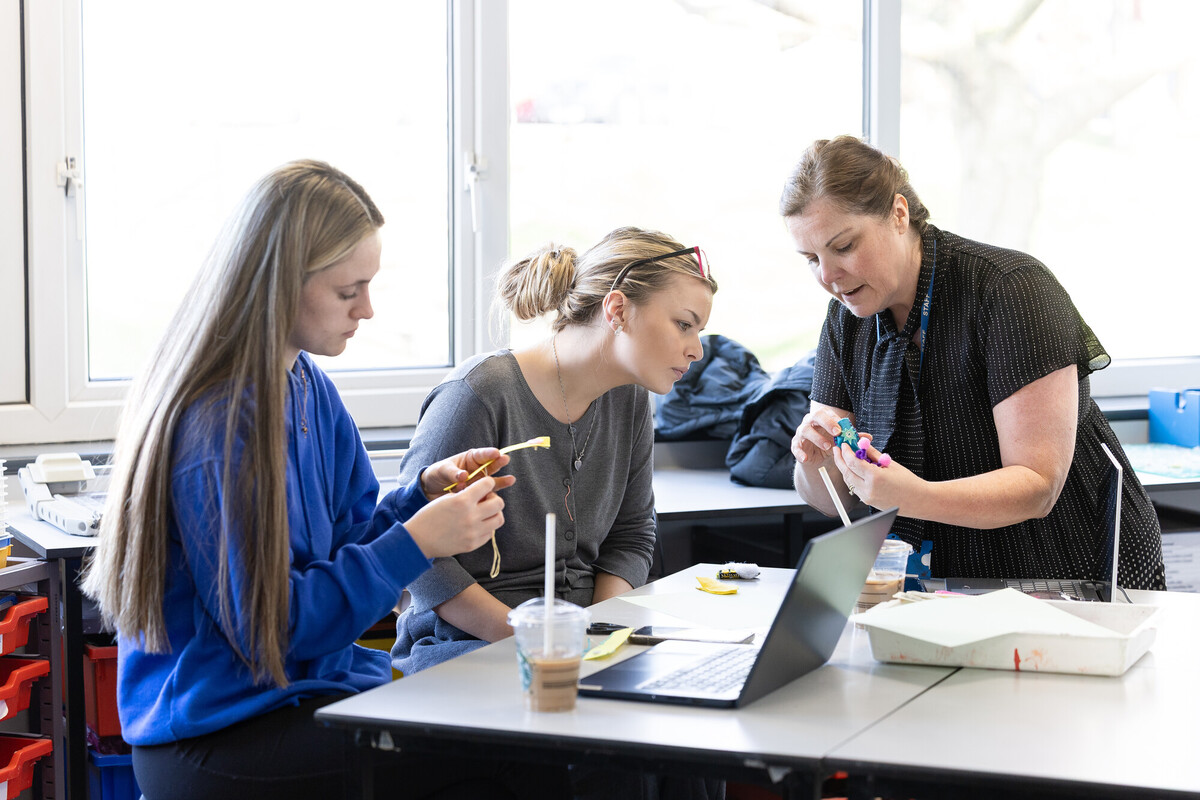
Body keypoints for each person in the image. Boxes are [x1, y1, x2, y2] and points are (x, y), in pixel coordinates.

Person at [80, 160, 562, 800]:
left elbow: (350, 544)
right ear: (282, 283)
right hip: (216, 736)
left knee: (531, 740)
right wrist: (417, 541)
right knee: (510, 760)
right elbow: (277, 633)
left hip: (307, 693)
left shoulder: (308, 387)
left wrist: (422, 500)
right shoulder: (219, 425)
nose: (367, 309)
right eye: (348, 291)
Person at [783, 135, 1166, 590]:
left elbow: (1037, 486)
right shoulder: (847, 319)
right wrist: (813, 461)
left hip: (1070, 569)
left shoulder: (1011, 290)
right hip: (949, 581)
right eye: (811, 259)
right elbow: (831, 499)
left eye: (843, 246)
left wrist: (912, 497)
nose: (827, 277)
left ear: (898, 214)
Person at [391, 227, 718, 676]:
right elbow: (414, 553)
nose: (697, 349)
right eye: (684, 324)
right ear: (618, 309)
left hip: (581, 647)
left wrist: (596, 636)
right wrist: (533, 642)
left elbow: (632, 532)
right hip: (467, 649)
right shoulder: (479, 393)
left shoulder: (631, 399)